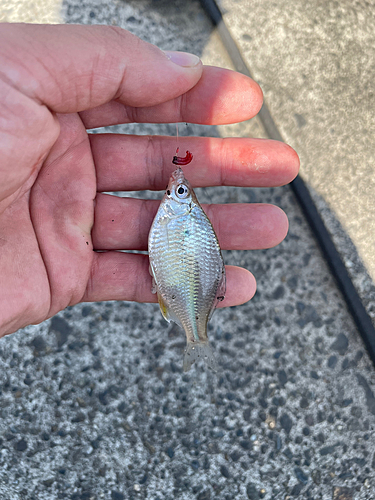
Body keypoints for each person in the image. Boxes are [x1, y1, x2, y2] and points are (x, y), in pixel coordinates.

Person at [0, 23, 299, 337]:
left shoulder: (184, 217)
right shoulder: (182, 216)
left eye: (179, 191)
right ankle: (195, 333)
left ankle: (196, 335)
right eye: (180, 191)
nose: (175, 187)